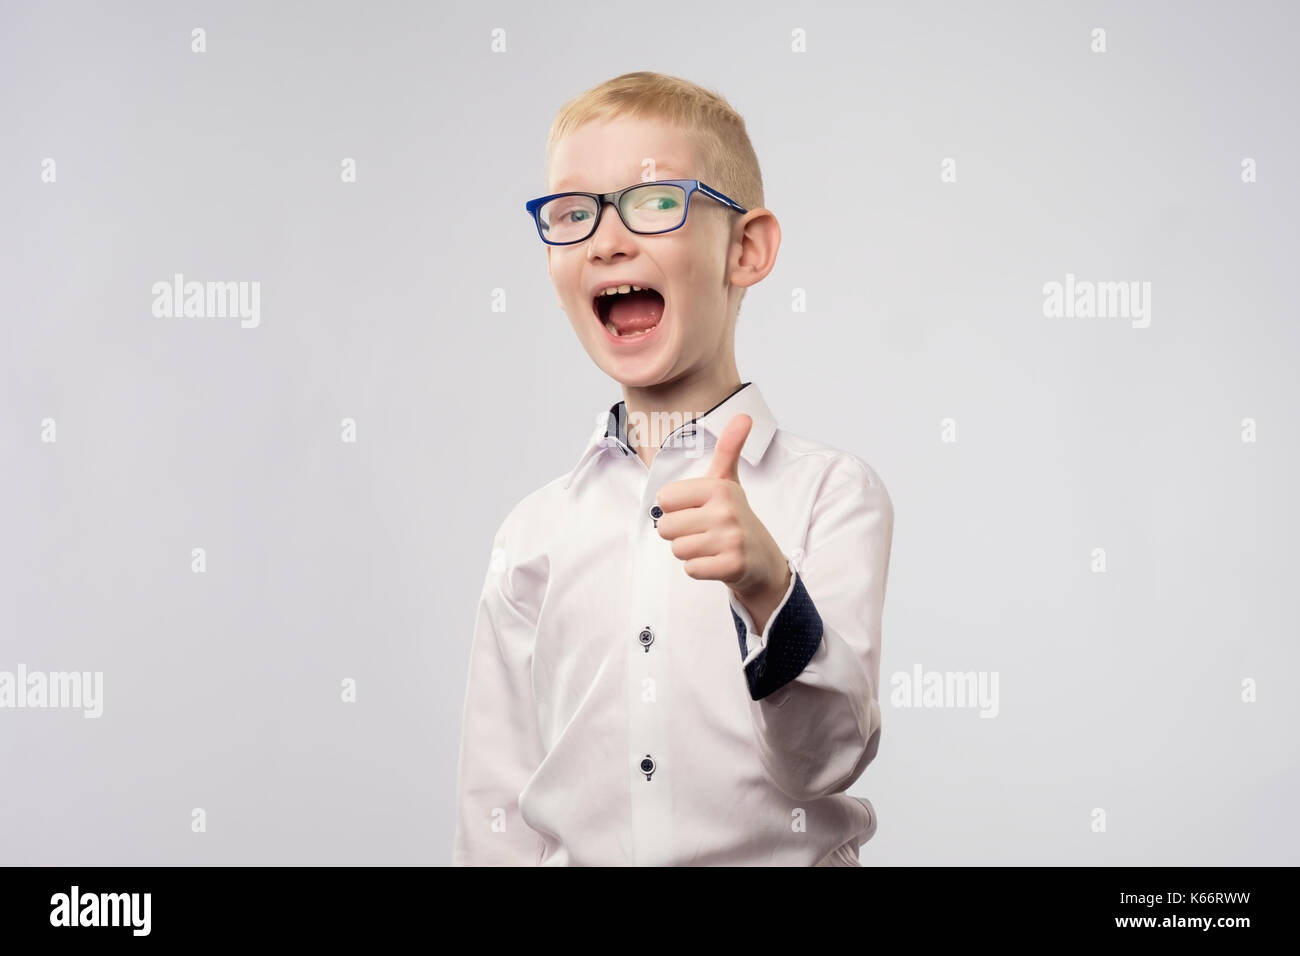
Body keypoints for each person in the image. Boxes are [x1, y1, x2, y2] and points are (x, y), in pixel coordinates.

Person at [452, 71, 894, 866]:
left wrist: (768, 590)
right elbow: (496, 806)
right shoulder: (533, 534)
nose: (606, 240)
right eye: (573, 213)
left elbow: (823, 759)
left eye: (655, 203)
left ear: (746, 250)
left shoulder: (832, 494)